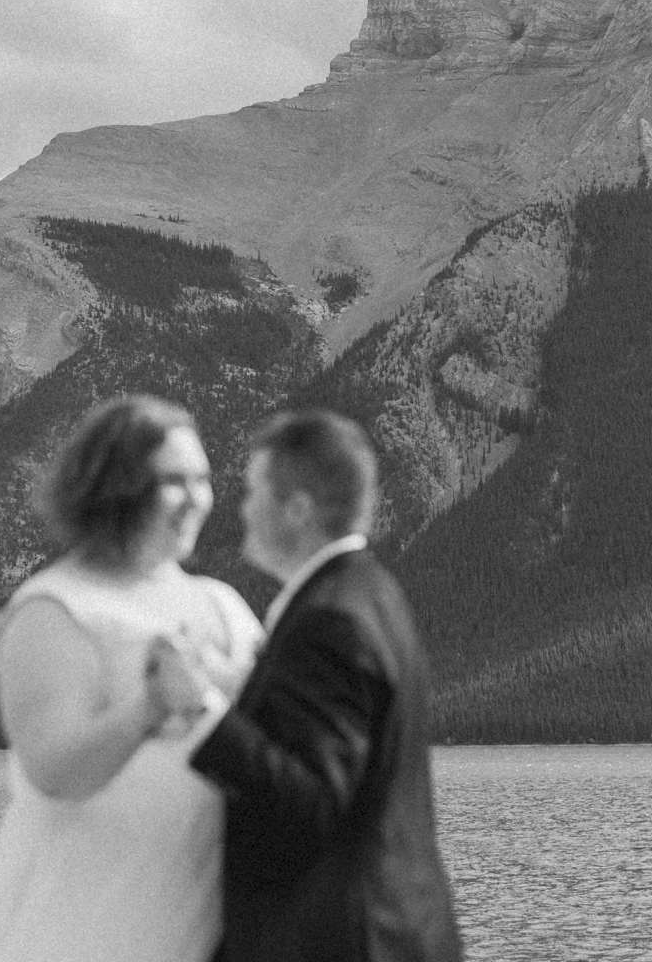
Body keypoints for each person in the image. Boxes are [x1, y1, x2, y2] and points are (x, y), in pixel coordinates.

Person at [0, 394, 265, 962]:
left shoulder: (225, 606)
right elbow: (55, 769)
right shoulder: (53, 609)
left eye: (203, 479)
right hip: (73, 934)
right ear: (113, 489)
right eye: (173, 482)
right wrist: (151, 707)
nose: (196, 501)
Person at [149, 409, 465, 962]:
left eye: (252, 492)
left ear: (297, 510)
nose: (240, 509)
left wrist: (199, 705)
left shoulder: (328, 622)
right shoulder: (368, 591)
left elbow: (313, 800)